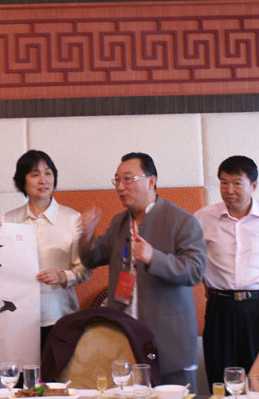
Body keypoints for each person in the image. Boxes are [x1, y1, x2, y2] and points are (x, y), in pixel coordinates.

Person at [78, 152, 206, 391]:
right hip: (126, 336)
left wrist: (153, 257)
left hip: (169, 341)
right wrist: (86, 235)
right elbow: (92, 258)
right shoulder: (119, 222)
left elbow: (195, 270)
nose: (120, 187)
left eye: (128, 179)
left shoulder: (181, 220)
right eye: (117, 180)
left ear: (151, 181)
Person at [0, 150, 91, 352]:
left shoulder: (72, 219)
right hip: (18, 320)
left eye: (48, 173)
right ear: (22, 181)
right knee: (22, 373)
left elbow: (85, 270)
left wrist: (62, 276)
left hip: (60, 317)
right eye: (35, 174)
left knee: (58, 372)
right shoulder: (8, 221)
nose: (43, 180)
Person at [194, 155, 259, 385]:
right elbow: (190, 258)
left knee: (256, 382)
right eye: (224, 183)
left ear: (253, 185)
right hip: (219, 309)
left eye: (237, 183)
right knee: (221, 379)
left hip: (256, 308)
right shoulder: (203, 218)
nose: (229, 190)